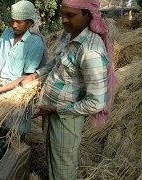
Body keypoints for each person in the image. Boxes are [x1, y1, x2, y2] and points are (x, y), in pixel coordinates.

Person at [21, 0, 118, 179]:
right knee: (54, 161)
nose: (64, 20)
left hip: (66, 119)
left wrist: (56, 109)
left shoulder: (90, 51)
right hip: (51, 112)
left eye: (71, 15)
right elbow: (56, 63)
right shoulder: (70, 35)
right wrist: (36, 75)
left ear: (88, 15)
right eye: (63, 14)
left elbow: (96, 103)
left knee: (63, 170)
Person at [0, 0, 46, 134]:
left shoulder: (35, 43)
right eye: (12, 21)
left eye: (19, 22)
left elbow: (26, 78)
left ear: (29, 22)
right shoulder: (7, 33)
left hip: (17, 93)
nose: (14, 25)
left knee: (13, 132)